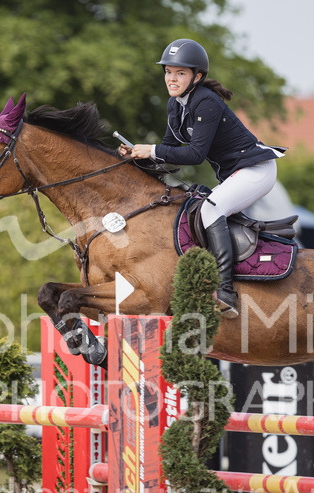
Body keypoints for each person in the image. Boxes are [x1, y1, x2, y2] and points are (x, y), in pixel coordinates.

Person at [119, 38, 286, 318]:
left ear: (196, 76)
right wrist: (138, 154)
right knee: (198, 208)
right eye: (168, 72)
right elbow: (168, 148)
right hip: (237, 173)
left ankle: (225, 292)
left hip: (257, 171)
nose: (171, 78)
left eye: (180, 73)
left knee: (211, 209)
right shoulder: (175, 105)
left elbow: (195, 155)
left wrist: (153, 150)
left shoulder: (206, 102)